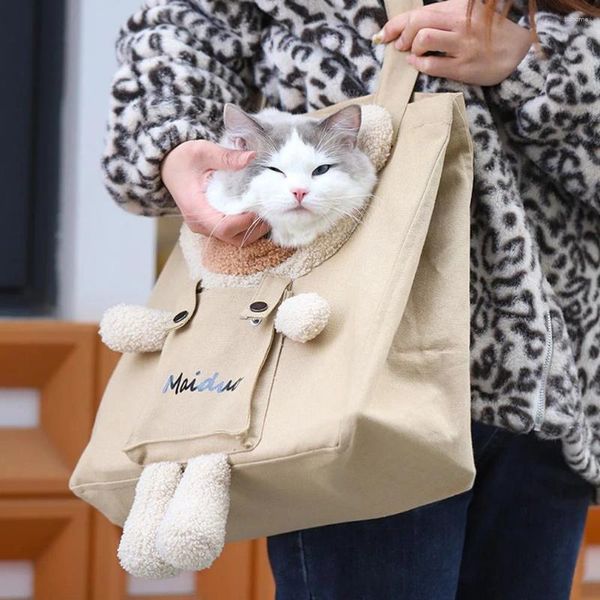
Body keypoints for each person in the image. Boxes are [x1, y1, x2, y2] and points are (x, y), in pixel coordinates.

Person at [102, 0, 600, 597]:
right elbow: (182, 29)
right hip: (349, 359)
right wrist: (182, 145)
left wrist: (540, 60)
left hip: (553, 376)